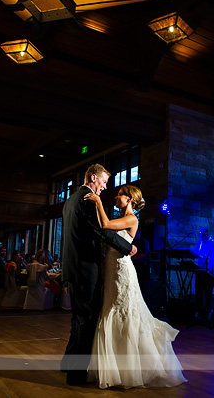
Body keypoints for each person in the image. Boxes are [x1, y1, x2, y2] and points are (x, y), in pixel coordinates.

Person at [85, 184, 186, 389]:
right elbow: (105, 231)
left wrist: (97, 201)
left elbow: (104, 225)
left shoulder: (132, 219)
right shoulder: (121, 217)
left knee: (124, 311)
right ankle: (115, 368)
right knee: (111, 309)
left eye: (120, 195)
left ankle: (130, 368)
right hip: (111, 268)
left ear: (129, 199)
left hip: (122, 270)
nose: (116, 197)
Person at [60, 164, 137, 386]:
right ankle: (76, 375)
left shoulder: (71, 199)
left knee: (78, 319)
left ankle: (67, 364)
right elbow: (100, 230)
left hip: (73, 268)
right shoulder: (88, 199)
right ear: (93, 177)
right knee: (86, 320)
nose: (105, 187)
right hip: (85, 269)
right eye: (103, 181)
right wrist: (127, 247)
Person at [191, 228, 214, 323]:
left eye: (202, 235)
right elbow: (197, 253)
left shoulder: (212, 243)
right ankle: (199, 311)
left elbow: (213, 256)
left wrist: (210, 268)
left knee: (207, 292)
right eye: (200, 235)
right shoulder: (199, 242)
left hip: (207, 270)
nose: (200, 237)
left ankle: (207, 312)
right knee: (198, 291)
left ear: (206, 234)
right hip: (199, 269)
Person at [131, 227, 151, 294]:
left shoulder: (144, 242)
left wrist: (132, 258)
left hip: (141, 266)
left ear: (139, 232)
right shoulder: (132, 241)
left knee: (140, 283)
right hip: (133, 265)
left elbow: (143, 254)